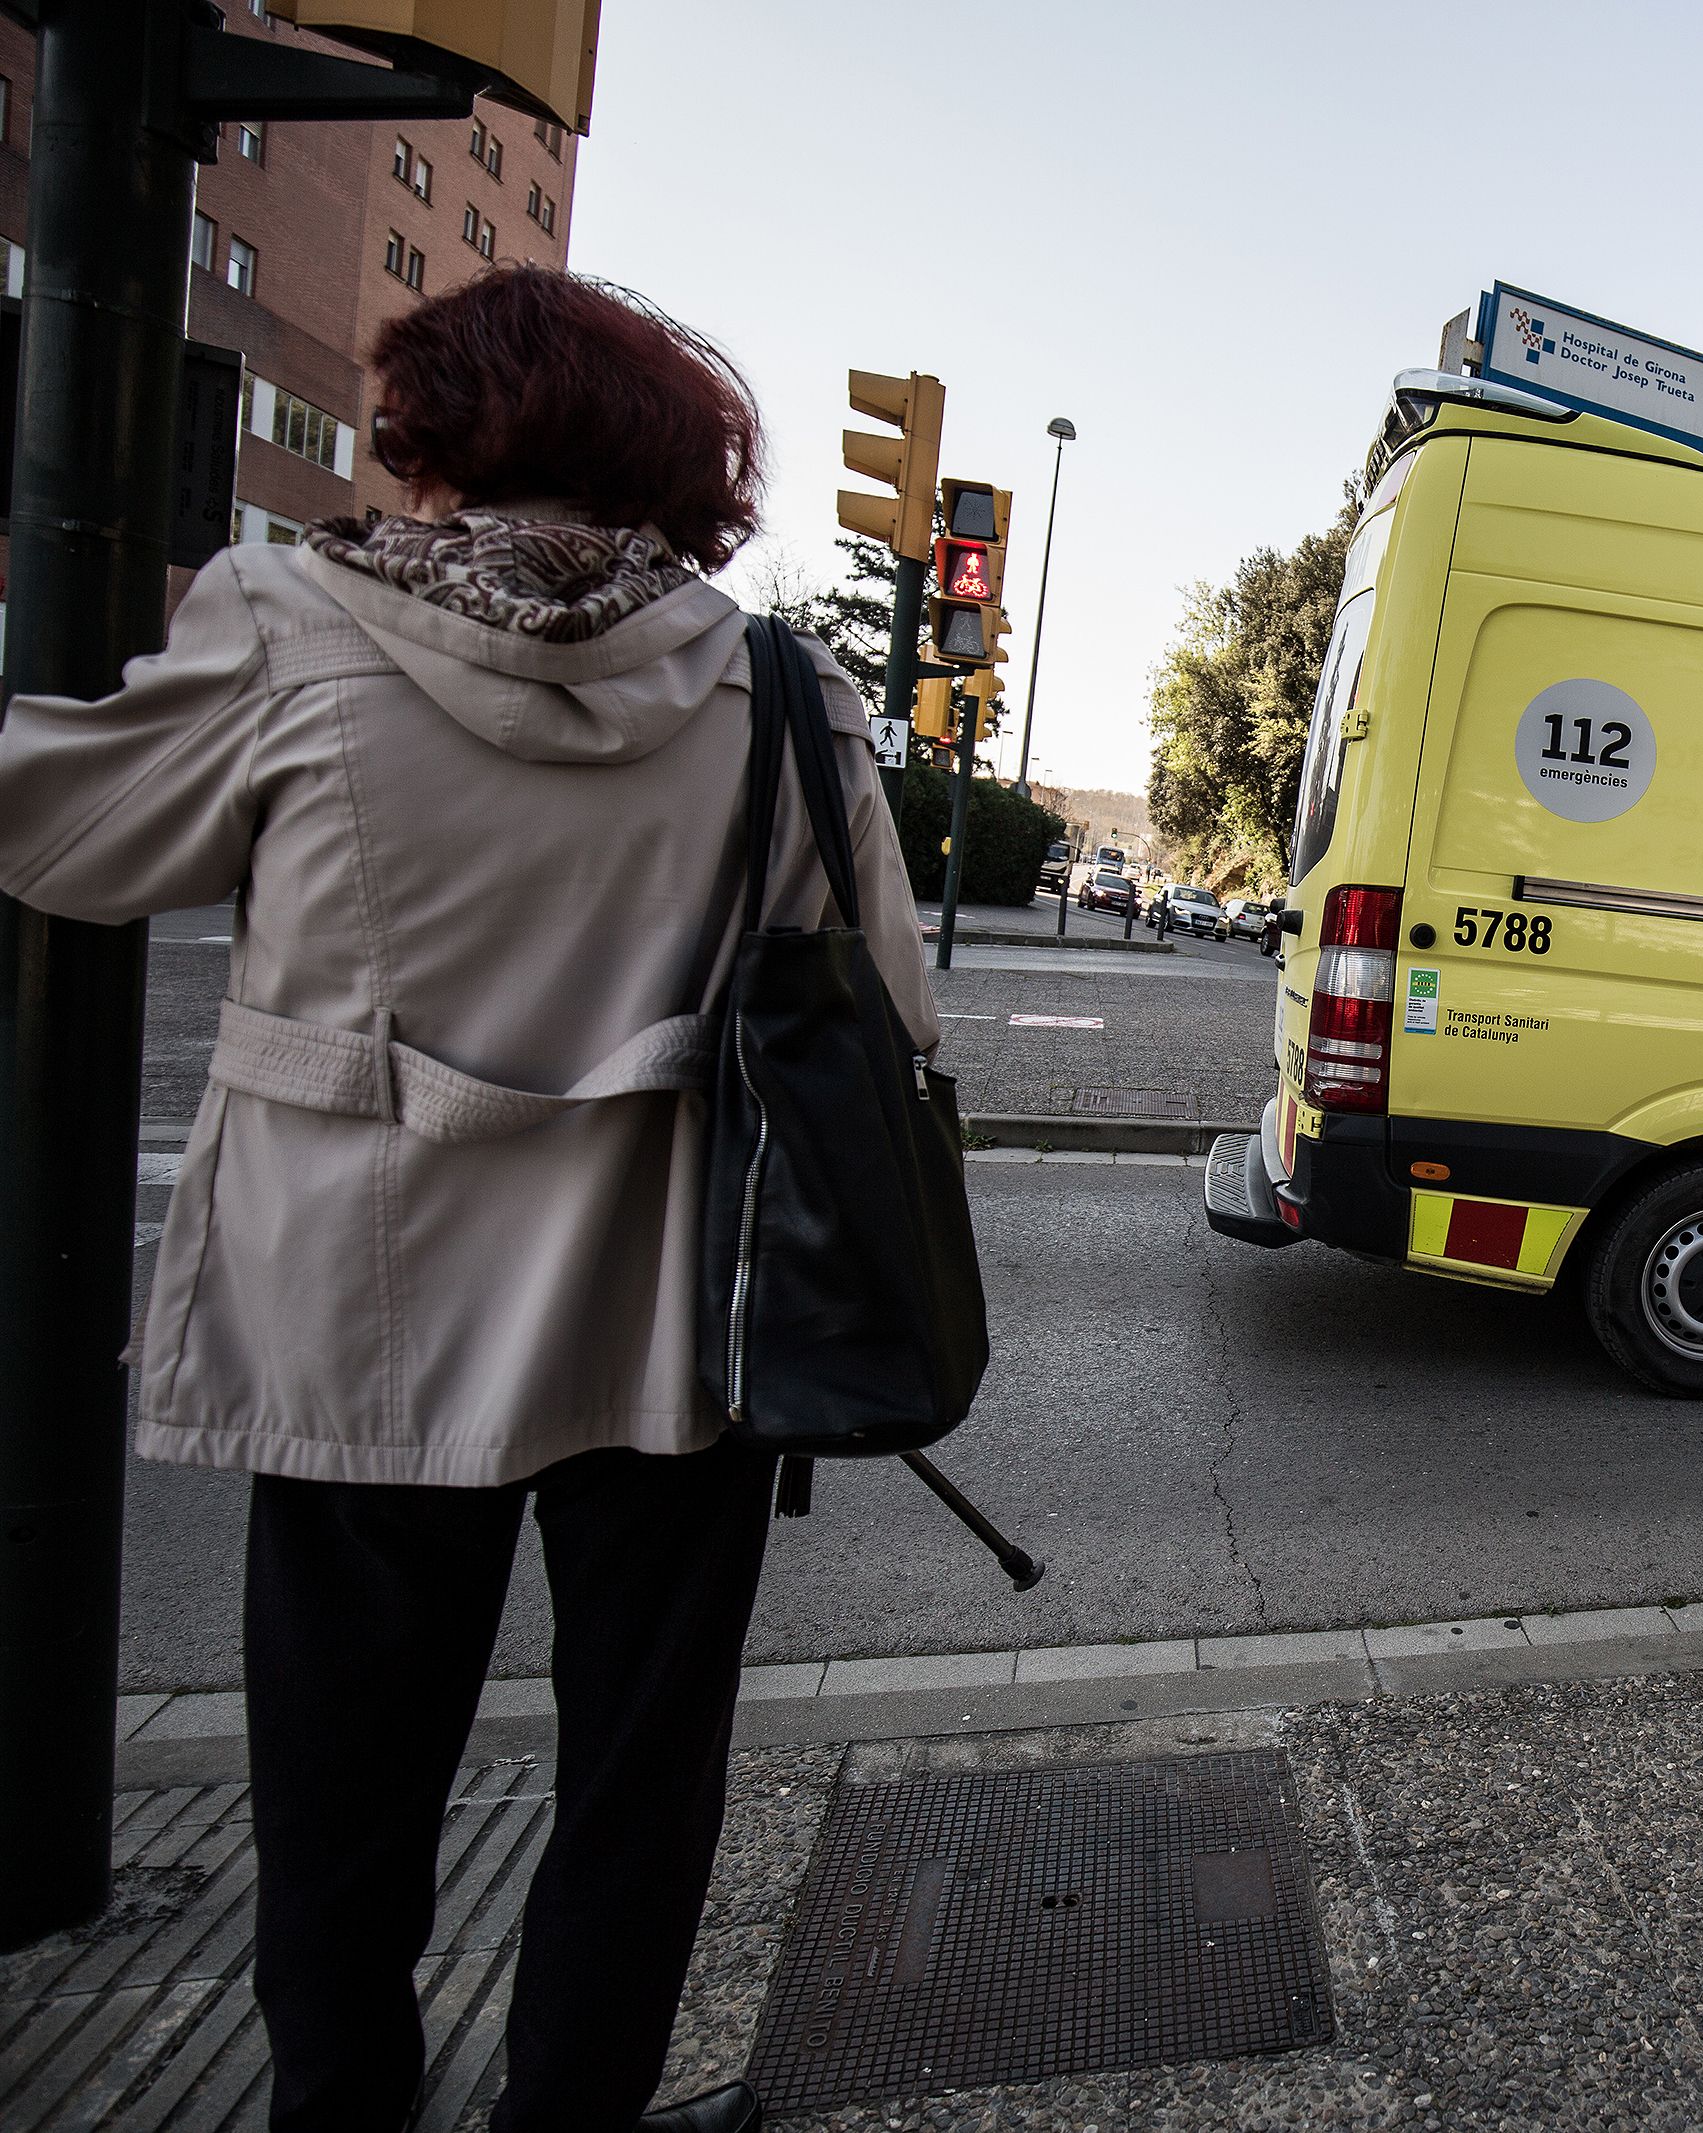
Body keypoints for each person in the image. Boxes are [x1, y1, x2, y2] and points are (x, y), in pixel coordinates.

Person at [0, 266, 935, 2132]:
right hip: (672, 1330)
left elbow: (71, 838)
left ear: (445, 434)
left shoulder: (285, 621)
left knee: (342, 1796)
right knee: (634, 1789)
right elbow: (893, 1018)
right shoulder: (780, 689)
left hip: (356, 1314)